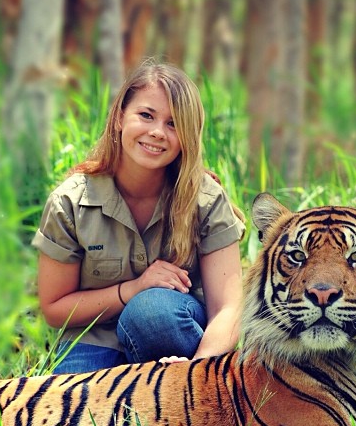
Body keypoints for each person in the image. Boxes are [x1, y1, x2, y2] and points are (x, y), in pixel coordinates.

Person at [32, 61, 245, 374]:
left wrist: (195, 372)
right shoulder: (71, 202)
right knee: (70, 419)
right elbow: (54, 308)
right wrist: (134, 288)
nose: (157, 132)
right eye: (146, 115)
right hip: (94, 339)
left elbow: (229, 309)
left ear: (188, 135)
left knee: (152, 312)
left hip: (174, 334)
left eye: (174, 124)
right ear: (120, 117)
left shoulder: (205, 198)